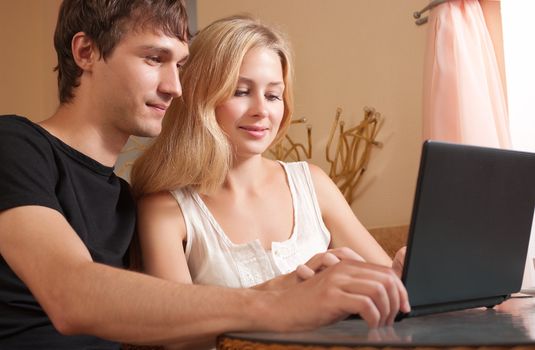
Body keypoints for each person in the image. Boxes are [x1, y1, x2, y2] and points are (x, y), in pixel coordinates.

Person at [0, 1, 409, 349]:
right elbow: (72, 296)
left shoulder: (121, 197)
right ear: (86, 52)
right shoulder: (14, 144)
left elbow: (161, 312)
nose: (177, 87)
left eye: (180, 65)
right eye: (154, 58)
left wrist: (286, 287)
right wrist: (279, 305)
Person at [131, 15, 405, 293]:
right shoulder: (165, 211)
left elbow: (390, 284)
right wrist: (284, 288)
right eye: (240, 92)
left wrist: (405, 274)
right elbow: (177, 331)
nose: (261, 110)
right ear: (199, 97)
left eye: (273, 95)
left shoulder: (312, 183)